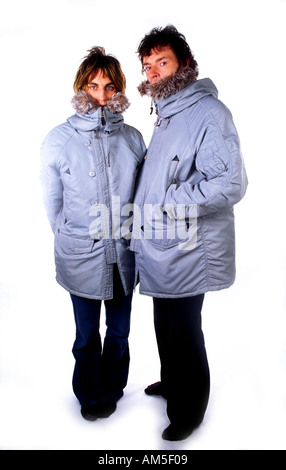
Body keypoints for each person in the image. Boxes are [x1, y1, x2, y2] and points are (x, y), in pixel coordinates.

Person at [131, 25, 248, 441]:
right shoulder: (166, 114)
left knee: (184, 329)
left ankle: (190, 409)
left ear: (183, 63)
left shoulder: (207, 113)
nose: (155, 73)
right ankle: (173, 384)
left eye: (163, 62)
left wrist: (171, 200)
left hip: (188, 247)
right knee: (165, 323)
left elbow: (231, 183)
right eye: (148, 66)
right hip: (165, 245)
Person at [41, 47, 146, 421]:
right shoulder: (59, 139)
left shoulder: (133, 138)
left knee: (119, 331)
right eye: (93, 85)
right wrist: (73, 237)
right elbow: (53, 203)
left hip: (123, 255)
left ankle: (112, 388)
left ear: (118, 90)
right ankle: (88, 393)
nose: (101, 95)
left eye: (108, 86)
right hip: (81, 255)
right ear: (82, 87)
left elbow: (141, 196)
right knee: (87, 336)